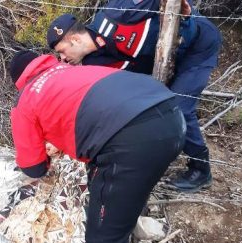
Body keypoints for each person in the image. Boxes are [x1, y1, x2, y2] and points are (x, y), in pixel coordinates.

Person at [8, 51, 186, 243]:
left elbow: (32, 168)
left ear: (19, 81)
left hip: (133, 139)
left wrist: (45, 153)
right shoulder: (75, 70)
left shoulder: (27, 101)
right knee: (108, 177)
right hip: (172, 116)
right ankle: (128, 221)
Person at [46, 0, 222, 193]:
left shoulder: (121, 19)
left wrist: (186, 18)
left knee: (179, 105)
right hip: (162, 59)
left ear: (76, 40)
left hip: (196, 45)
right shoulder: (92, 63)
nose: (62, 59)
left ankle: (201, 169)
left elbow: (181, 29)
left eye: (62, 51)